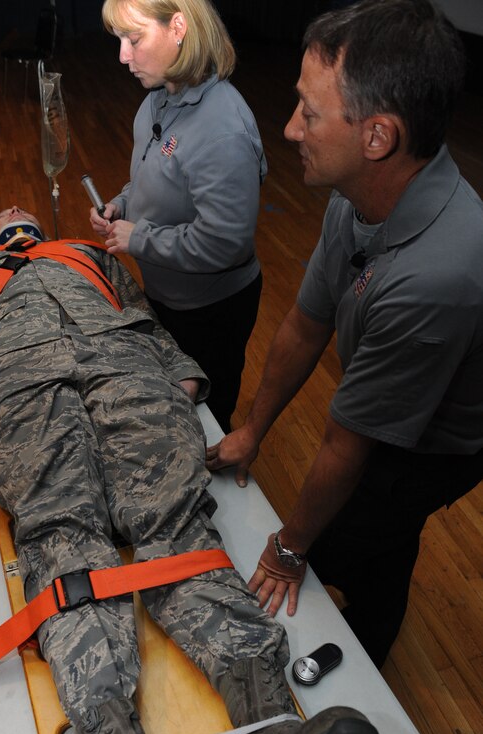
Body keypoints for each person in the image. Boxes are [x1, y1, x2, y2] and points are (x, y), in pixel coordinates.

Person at [0, 206, 385, 734]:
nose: (16, 212)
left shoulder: (89, 255)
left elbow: (139, 312)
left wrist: (177, 372)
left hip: (127, 369)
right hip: (18, 383)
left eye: (24, 210)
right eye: (3, 215)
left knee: (176, 528)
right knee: (65, 545)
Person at [207, 0, 483, 670]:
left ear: (378, 137)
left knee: (366, 530)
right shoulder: (354, 196)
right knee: (365, 529)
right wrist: (251, 429)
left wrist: (291, 550)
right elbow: (305, 325)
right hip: (388, 400)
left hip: (442, 444)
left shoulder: (437, 274)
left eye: (310, 111)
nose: (289, 125)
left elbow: (347, 437)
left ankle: (372, 645)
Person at [89, 0, 266, 434]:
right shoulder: (158, 99)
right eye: (119, 41)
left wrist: (140, 239)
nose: (123, 56)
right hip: (169, 293)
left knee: (204, 422)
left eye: (134, 39)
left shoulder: (222, 128)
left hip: (212, 310)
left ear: (179, 27)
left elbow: (226, 243)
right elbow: (154, 180)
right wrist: (121, 205)